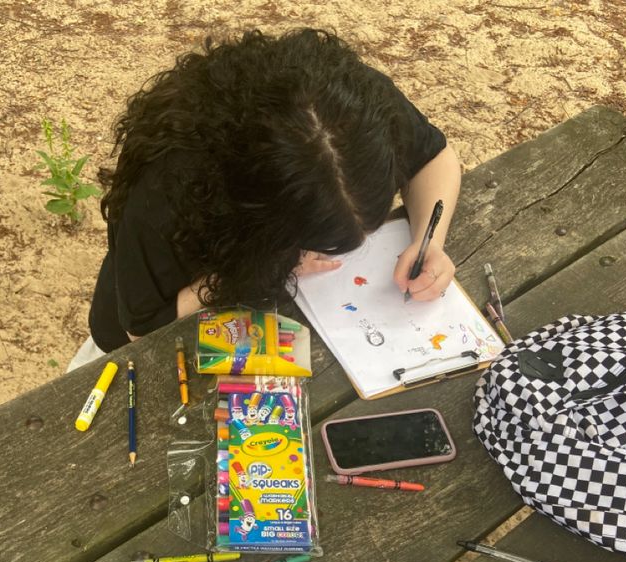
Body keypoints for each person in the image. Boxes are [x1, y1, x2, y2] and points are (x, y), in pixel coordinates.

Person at [68, 28, 461, 370]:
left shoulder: (354, 110)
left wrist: (430, 240)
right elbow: (143, 326)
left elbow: (435, 159)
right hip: (146, 342)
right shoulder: (166, 187)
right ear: (261, 213)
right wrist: (274, 266)